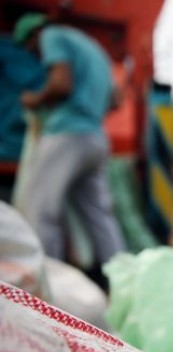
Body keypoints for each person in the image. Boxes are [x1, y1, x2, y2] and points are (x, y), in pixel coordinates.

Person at [12, 12, 126, 289]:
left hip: (67, 134)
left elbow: (61, 83)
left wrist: (35, 99)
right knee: (100, 215)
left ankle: (47, 290)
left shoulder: (53, 36)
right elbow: (116, 99)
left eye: (32, 49)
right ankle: (123, 282)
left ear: (34, 34)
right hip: (95, 139)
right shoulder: (95, 50)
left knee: (39, 211)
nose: (38, 54)